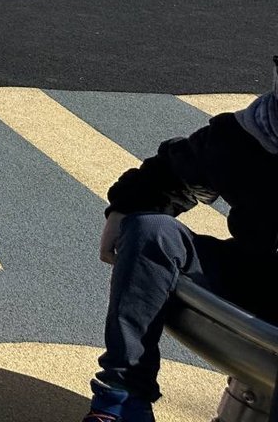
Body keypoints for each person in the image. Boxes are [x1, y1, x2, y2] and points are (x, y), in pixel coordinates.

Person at [83, 61, 278, 422]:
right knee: (151, 232)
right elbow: (175, 170)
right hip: (255, 278)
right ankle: (122, 399)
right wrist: (125, 207)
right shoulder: (257, 133)